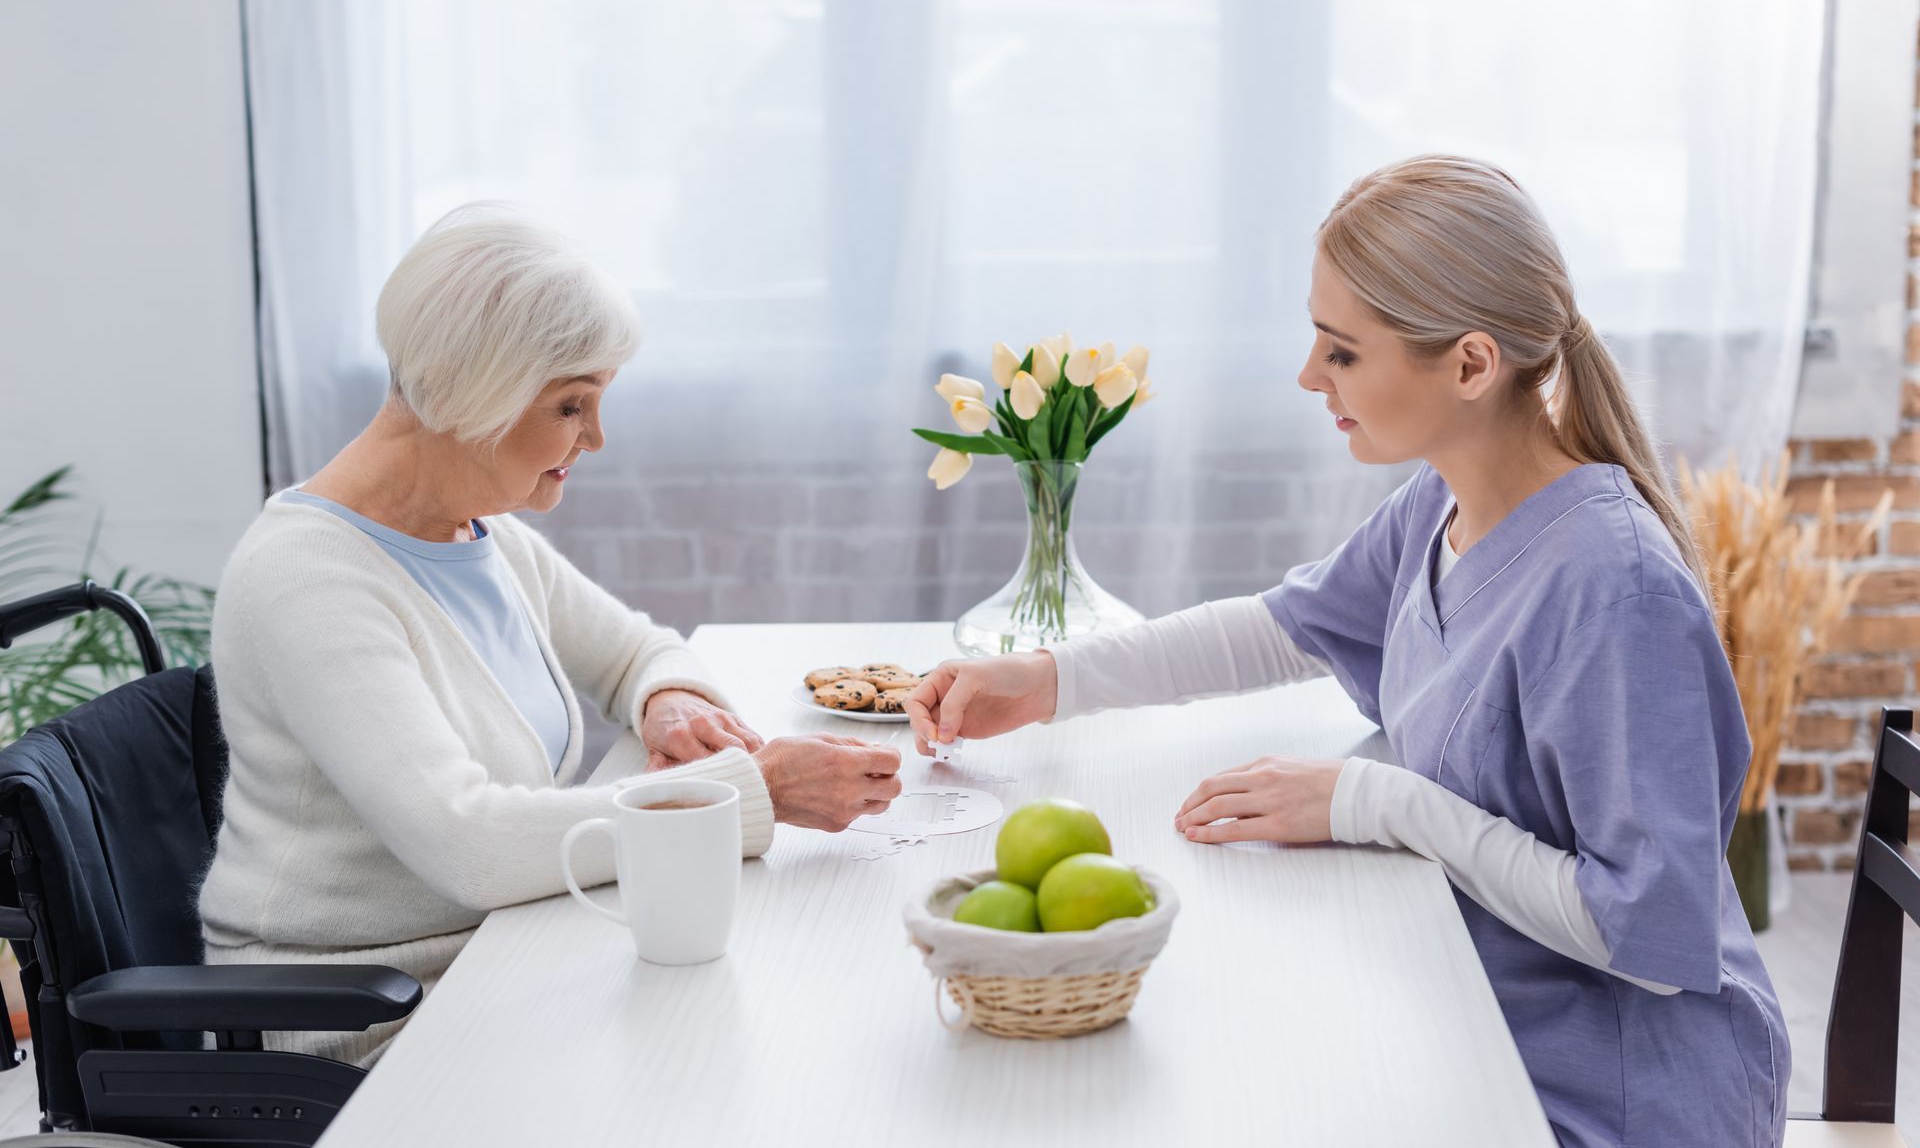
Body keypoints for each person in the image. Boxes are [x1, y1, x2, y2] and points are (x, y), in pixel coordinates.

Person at [906, 156, 1787, 1147]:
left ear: (1470, 364)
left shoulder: (1613, 587)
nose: (1308, 375)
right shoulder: (1445, 503)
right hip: (1472, 1004)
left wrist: (1376, 800)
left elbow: (1649, 942)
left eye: (1342, 351)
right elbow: (1280, 625)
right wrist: (1049, 679)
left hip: (1614, 1096)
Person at [200, 204, 902, 1066]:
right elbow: (473, 844)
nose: (596, 438)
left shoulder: (473, 533)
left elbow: (639, 650)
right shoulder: (307, 579)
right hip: (360, 1022)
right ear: (471, 390)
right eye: (573, 405)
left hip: (497, 956)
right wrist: (746, 793)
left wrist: (669, 700)